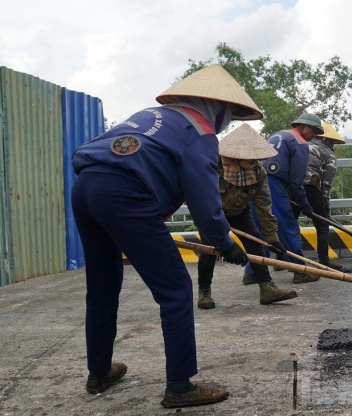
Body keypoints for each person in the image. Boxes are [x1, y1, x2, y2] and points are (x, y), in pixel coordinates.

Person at [71, 64, 258, 409]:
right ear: (214, 107)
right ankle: (180, 386)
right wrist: (225, 243)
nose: (226, 121)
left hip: (86, 187)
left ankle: (98, 373)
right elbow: (205, 201)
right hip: (125, 194)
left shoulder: (150, 116)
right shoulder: (198, 132)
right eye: (228, 114)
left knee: (101, 285)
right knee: (174, 289)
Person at [197, 123, 297, 308]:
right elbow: (197, 195)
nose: (255, 162)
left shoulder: (258, 173)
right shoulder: (213, 166)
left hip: (239, 211)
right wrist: (223, 238)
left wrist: (273, 238)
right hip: (210, 212)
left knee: (256, 243)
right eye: (251, 159)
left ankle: (267, 288)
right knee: (209, 250)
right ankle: (204, 292)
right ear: (237, 156)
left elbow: (263, 206)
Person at [246, 113, 324, 284]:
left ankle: (253, 271)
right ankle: (300, 270)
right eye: (314, 131)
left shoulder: (278, 135)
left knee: (261, 226)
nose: (313, 136)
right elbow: (297, 182)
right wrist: (305, 205)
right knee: (288, 225)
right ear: (304, 127)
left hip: (254, 178)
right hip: (273, 183)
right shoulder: (300, 143)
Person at [301, 122, 346, 269]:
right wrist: (325, 206)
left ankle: (284, 260)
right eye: (332, 141)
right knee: (322, 224)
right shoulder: (328, 154)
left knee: (289, 222)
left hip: (291, 186)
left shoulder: (302, 145)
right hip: (310, 185)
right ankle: (324, 260)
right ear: (328, 140)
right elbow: (326, 184)